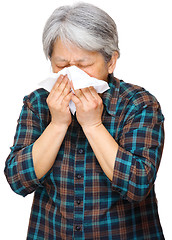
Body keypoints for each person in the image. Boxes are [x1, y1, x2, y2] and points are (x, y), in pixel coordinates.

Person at [4, 3, 165, 240]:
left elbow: (137, 185)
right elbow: (19, 181)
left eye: (83, 65)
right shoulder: (38, 103)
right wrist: (57, 124)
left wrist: (93, 125)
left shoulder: (139, 104)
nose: (71, 74)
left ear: (110, 62)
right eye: (61, 65)